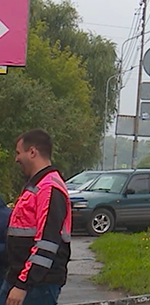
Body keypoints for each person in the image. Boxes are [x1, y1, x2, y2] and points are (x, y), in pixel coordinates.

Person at [2, 129, 71, 305]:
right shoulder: (37, 185)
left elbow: (47, 244)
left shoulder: (49, 188)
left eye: (19, 152)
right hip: (21, 279)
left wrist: (23, 285)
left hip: (37, 285)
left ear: (32, 152)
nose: (16, 159)